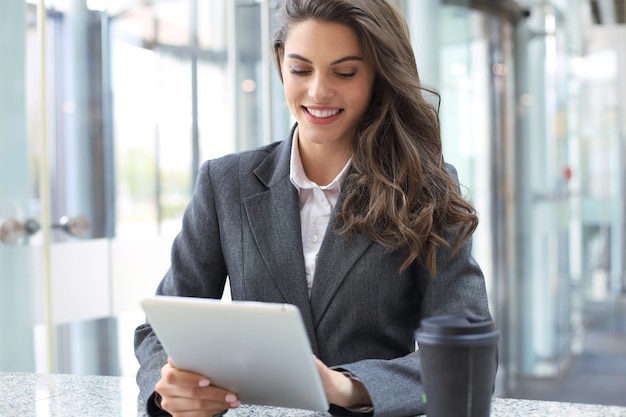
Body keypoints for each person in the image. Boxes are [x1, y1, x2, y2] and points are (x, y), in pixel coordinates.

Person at [134, 0, 494, 416]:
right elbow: (158, 329)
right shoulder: (224, 183)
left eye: (345, 72)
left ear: (378, 76)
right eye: (301, 70)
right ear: (280, 62)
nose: (318, 91)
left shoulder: (425, 187)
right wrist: (170, 386)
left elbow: (465, 357)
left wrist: (348, 387)